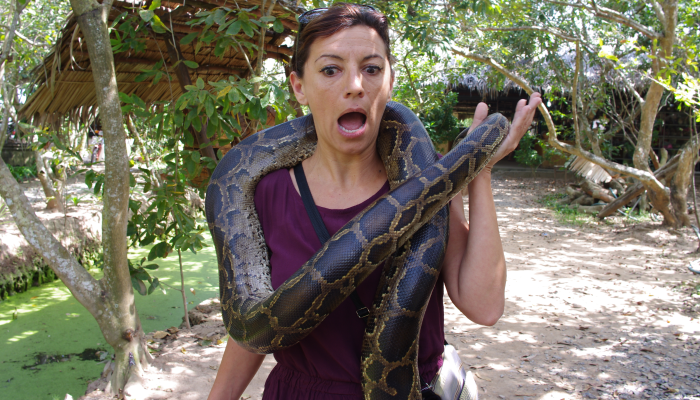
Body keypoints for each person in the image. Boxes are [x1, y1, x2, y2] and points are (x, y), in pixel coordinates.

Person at [208, 4, 542, 399]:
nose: (355, 85)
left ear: (389, 81)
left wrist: (477, 168)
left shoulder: (429, 178)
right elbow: (255, 324)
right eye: (330, 70)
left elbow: (484, 307)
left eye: (371, 69)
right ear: (299, 86)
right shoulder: (266, 194)